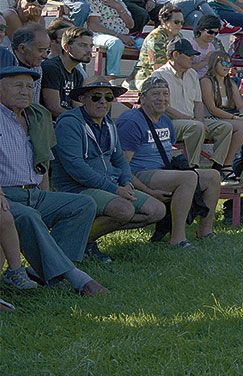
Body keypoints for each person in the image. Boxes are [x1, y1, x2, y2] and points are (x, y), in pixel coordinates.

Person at [0, 65, 105, 295]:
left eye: (29, 86)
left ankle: (42, 273)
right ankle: (74, 277)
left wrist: (46, 194)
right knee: (29, 217)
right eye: (18, 85)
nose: (25, 91)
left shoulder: (37, 116)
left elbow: (44, 162)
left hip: (35, 192)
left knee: (83, 204)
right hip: (6, 196)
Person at [52, 81, 167, 261]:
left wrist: (127, 181)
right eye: (96, 97)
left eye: (108, 97)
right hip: (75, 189)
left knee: (157, 210)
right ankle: (67, 245)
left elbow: (119, 158)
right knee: (123, 209)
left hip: (108, 185)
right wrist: (114, 189)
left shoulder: (108, 122)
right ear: (82, 99)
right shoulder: (69, 123)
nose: (102, 102)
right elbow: (76, 168)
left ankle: (85, 240)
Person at [115, 76, 221, 247]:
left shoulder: (165, 121)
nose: (162, 98)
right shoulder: (131, 121)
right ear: (142, 98)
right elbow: (122, 167)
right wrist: (148, 190)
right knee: (187, 178)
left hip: (161, 171)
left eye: (165, 94)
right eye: (155, 94)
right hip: (138, 175)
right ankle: (178, 239)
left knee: (213, 176)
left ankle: (205, 231)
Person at [150, 38, 233, 170]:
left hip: (192, 121)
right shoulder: (159, 76)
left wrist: (199, 120)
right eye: (189, 55)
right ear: (176, 55)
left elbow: (198, 103)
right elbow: (162, 107)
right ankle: (192, 168)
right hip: (168, 123)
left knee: (226, 128)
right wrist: (193, 121)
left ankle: (217, 166)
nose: (192, 58)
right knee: (196, 127)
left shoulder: (192, 74)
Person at [199, 52, 243, 183]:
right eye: (223, 63)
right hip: (212, 117)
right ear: (214, 63)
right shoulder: (206, 81)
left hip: (229, 116)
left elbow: (241, 106)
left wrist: (242, 115)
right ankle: (226, 165)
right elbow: (212, 108)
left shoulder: (230, 83)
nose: (227, 66)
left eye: (229, 63)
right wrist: (235, 118)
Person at [84, 0, 135, 83]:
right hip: (99, 35)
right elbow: (93, 25)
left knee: (144, 44)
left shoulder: (119, 2)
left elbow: (131, 24)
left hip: (124, 35)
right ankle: (112, 78)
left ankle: (137, 77)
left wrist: (119, 8)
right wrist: (119, 36)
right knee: (115, 43)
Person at [40, 26, 92, 118]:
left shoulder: (77, 75)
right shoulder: (52, 68)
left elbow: (77, 106)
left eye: (91, 46)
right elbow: (53, 108)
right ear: (67, 47)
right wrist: (79, 120)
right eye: (83, 45)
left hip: (68, 121)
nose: (89, 50)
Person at [134, 3, 183, 86]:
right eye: (176, 22)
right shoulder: (156, 37)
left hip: (169, 76)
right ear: (164, 21)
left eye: (182, 23)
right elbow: (158, 67)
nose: (180, 26)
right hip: (148, 79)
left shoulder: (179, 36)